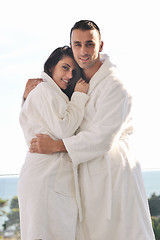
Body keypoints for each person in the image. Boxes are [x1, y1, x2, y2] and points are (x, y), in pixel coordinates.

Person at [25, 20, 155, 240]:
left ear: (100, 46)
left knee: (121, 231)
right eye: (77, 44)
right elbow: (51, 115)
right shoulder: (74, 80)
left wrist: (57, 145)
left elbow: (103, 137)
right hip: (83, 173)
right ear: (71, 46)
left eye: (89, 44)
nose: (83, 51)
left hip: (113, 172)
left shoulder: (115, 86)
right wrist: (29, 95)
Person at [18, 46, 89, 240]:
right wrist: (79, 97)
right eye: (64, 68)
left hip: (51, 179)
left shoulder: (52, 93)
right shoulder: (43, 90)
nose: (69, 75)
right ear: (51, 67)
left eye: (74, 71)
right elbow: (63, 129)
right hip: (44, 179)